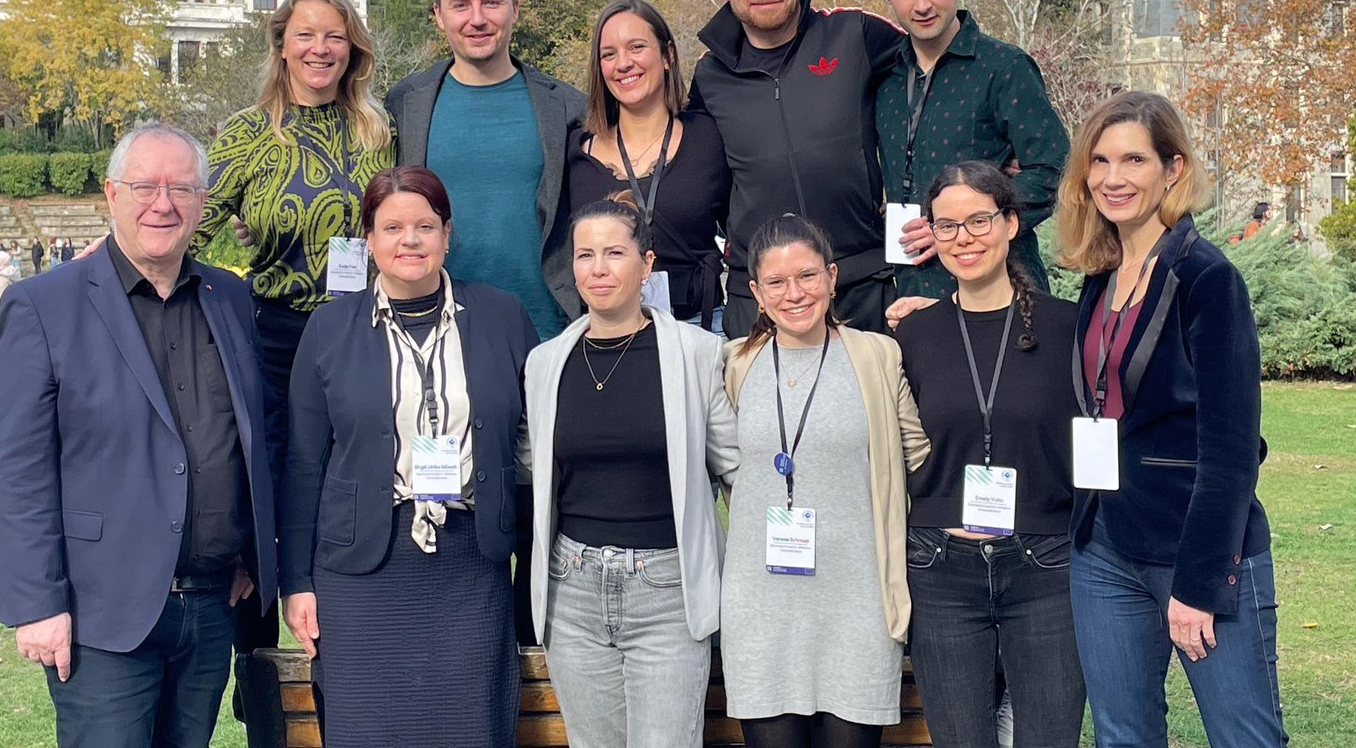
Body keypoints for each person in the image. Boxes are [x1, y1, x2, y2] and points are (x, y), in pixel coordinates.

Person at [0, 121, 278, 748]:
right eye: (145, 186)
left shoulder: (230, 299)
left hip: (210, 607)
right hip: (102, 613)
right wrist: (37, 602)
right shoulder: (44, 306)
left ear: (204, 204)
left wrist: (251, 550)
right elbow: (16, 469)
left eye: (181, 188)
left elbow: (253, 433)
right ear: (112, 195)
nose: (163, 203)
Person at [1056, 91, 1287, 746]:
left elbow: (1233, 450)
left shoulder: (1206, 279)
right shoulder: (1102, 276)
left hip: (1196, 549)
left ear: (1173, 169)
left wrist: (1199, 582)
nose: (1113, 177)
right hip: (1103, 548)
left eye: (1133, 159)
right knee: (1122, 737)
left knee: (1246, 738)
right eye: (1099, 161)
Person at [280, 165, 535, 748]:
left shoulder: (502, 317)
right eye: (392, 227)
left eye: (425, 225)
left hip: (472, 563)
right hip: (363, 568)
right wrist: (296, 581)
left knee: (472, 726)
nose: (410, 240)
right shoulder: (329, 328)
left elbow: (530, 448)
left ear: (448, 233)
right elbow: (302, 464)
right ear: (368, 239)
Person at [192, 0, 394, 688]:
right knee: (265, 499)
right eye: (306, 34)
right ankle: (259, 689)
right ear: (281, 45)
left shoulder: (378, 130)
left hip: (361, 339)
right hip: (275, 341)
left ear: (353, 48)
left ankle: (354, 665)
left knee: (347, 496)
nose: (320, 48)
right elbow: (194, 227)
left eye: (334, 35)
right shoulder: (249, 133)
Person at [522, 193, 739, 747]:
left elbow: (735, 466)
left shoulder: (696, 353)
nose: (598, 269)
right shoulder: (546, 364)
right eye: (585, 255)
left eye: (615, 253)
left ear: (647, 264)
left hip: (666, 590)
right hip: (572, 591)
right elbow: (531, 467)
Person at [892, 161, 1085, 747]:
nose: (963, 238)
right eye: (946, 226)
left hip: (1046, 567)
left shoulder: (1067, 330)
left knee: (1048, 738)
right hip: (940, 568)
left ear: (1010, 223)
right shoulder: (912, 338)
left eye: (978, 220)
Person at [721, 214, 930, 747]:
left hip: (856, 603)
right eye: (777, 282)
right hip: (761, 606)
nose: (795, 293)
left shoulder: (877, 356)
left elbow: (921, 455)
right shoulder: (731, 366)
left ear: (833, 278)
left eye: (809, 276)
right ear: (756, 293)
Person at [688, 0, 906, 338]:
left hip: (862, 288)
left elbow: (938, 69)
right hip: (760, 302)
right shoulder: (708, 76)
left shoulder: (856, 34)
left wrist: (989, 149)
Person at [386, 0, 587, 342]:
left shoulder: (567, 107)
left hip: (544, 330)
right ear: (439, 16)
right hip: (434, 327)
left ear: (516, 8)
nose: (477, 19)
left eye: (491, 3)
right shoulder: (406, 104)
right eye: (461, 5)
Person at [873, 0, 1069, 300]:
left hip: (1001, 295)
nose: (923, 4)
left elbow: (1055, 170)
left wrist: (961, 222)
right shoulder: (882, 78)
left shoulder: (1004, 67)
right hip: (911, 297)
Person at [569, 0, 730, 333]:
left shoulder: (709, 138)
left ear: (668, 55)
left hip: (699, 328)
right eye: (609, 55)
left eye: (637, 47)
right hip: (606, 331)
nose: (623, 63)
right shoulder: (576, 153)